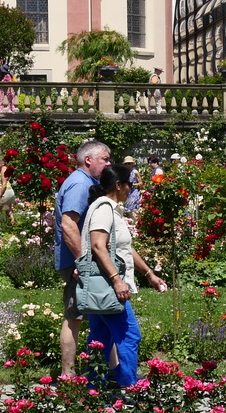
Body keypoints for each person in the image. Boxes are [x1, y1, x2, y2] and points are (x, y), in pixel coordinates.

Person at [82, 163, 167, 388]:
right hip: (107, 287)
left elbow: (124, 248)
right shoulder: (103, 209)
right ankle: (128, 385)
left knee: (100, 339)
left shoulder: (112, 210)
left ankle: (93, 386)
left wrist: (149, 274)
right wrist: (117, 280)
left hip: (103, 286)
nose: (132, 188)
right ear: (118, 185)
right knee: (130, 335)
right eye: (130, 184)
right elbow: (98, 246)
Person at [54, 140, 113, 378]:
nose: (109, 164)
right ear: (88, 160)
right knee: (74, 317)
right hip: (78, 263)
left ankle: (107, 372)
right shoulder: (80, 184)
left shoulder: (86, 182)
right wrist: (82, 262)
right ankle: (68, 376)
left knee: (101, 314)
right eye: (104, 159)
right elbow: (68, 225)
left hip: (82, 261)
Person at [0, 158, 16, 225]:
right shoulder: (4, 169)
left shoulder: (3, 169)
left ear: (3, 163)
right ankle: (13, 226)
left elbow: (4, 184)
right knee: (8, 210)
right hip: (9, 191)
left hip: (5, 192)